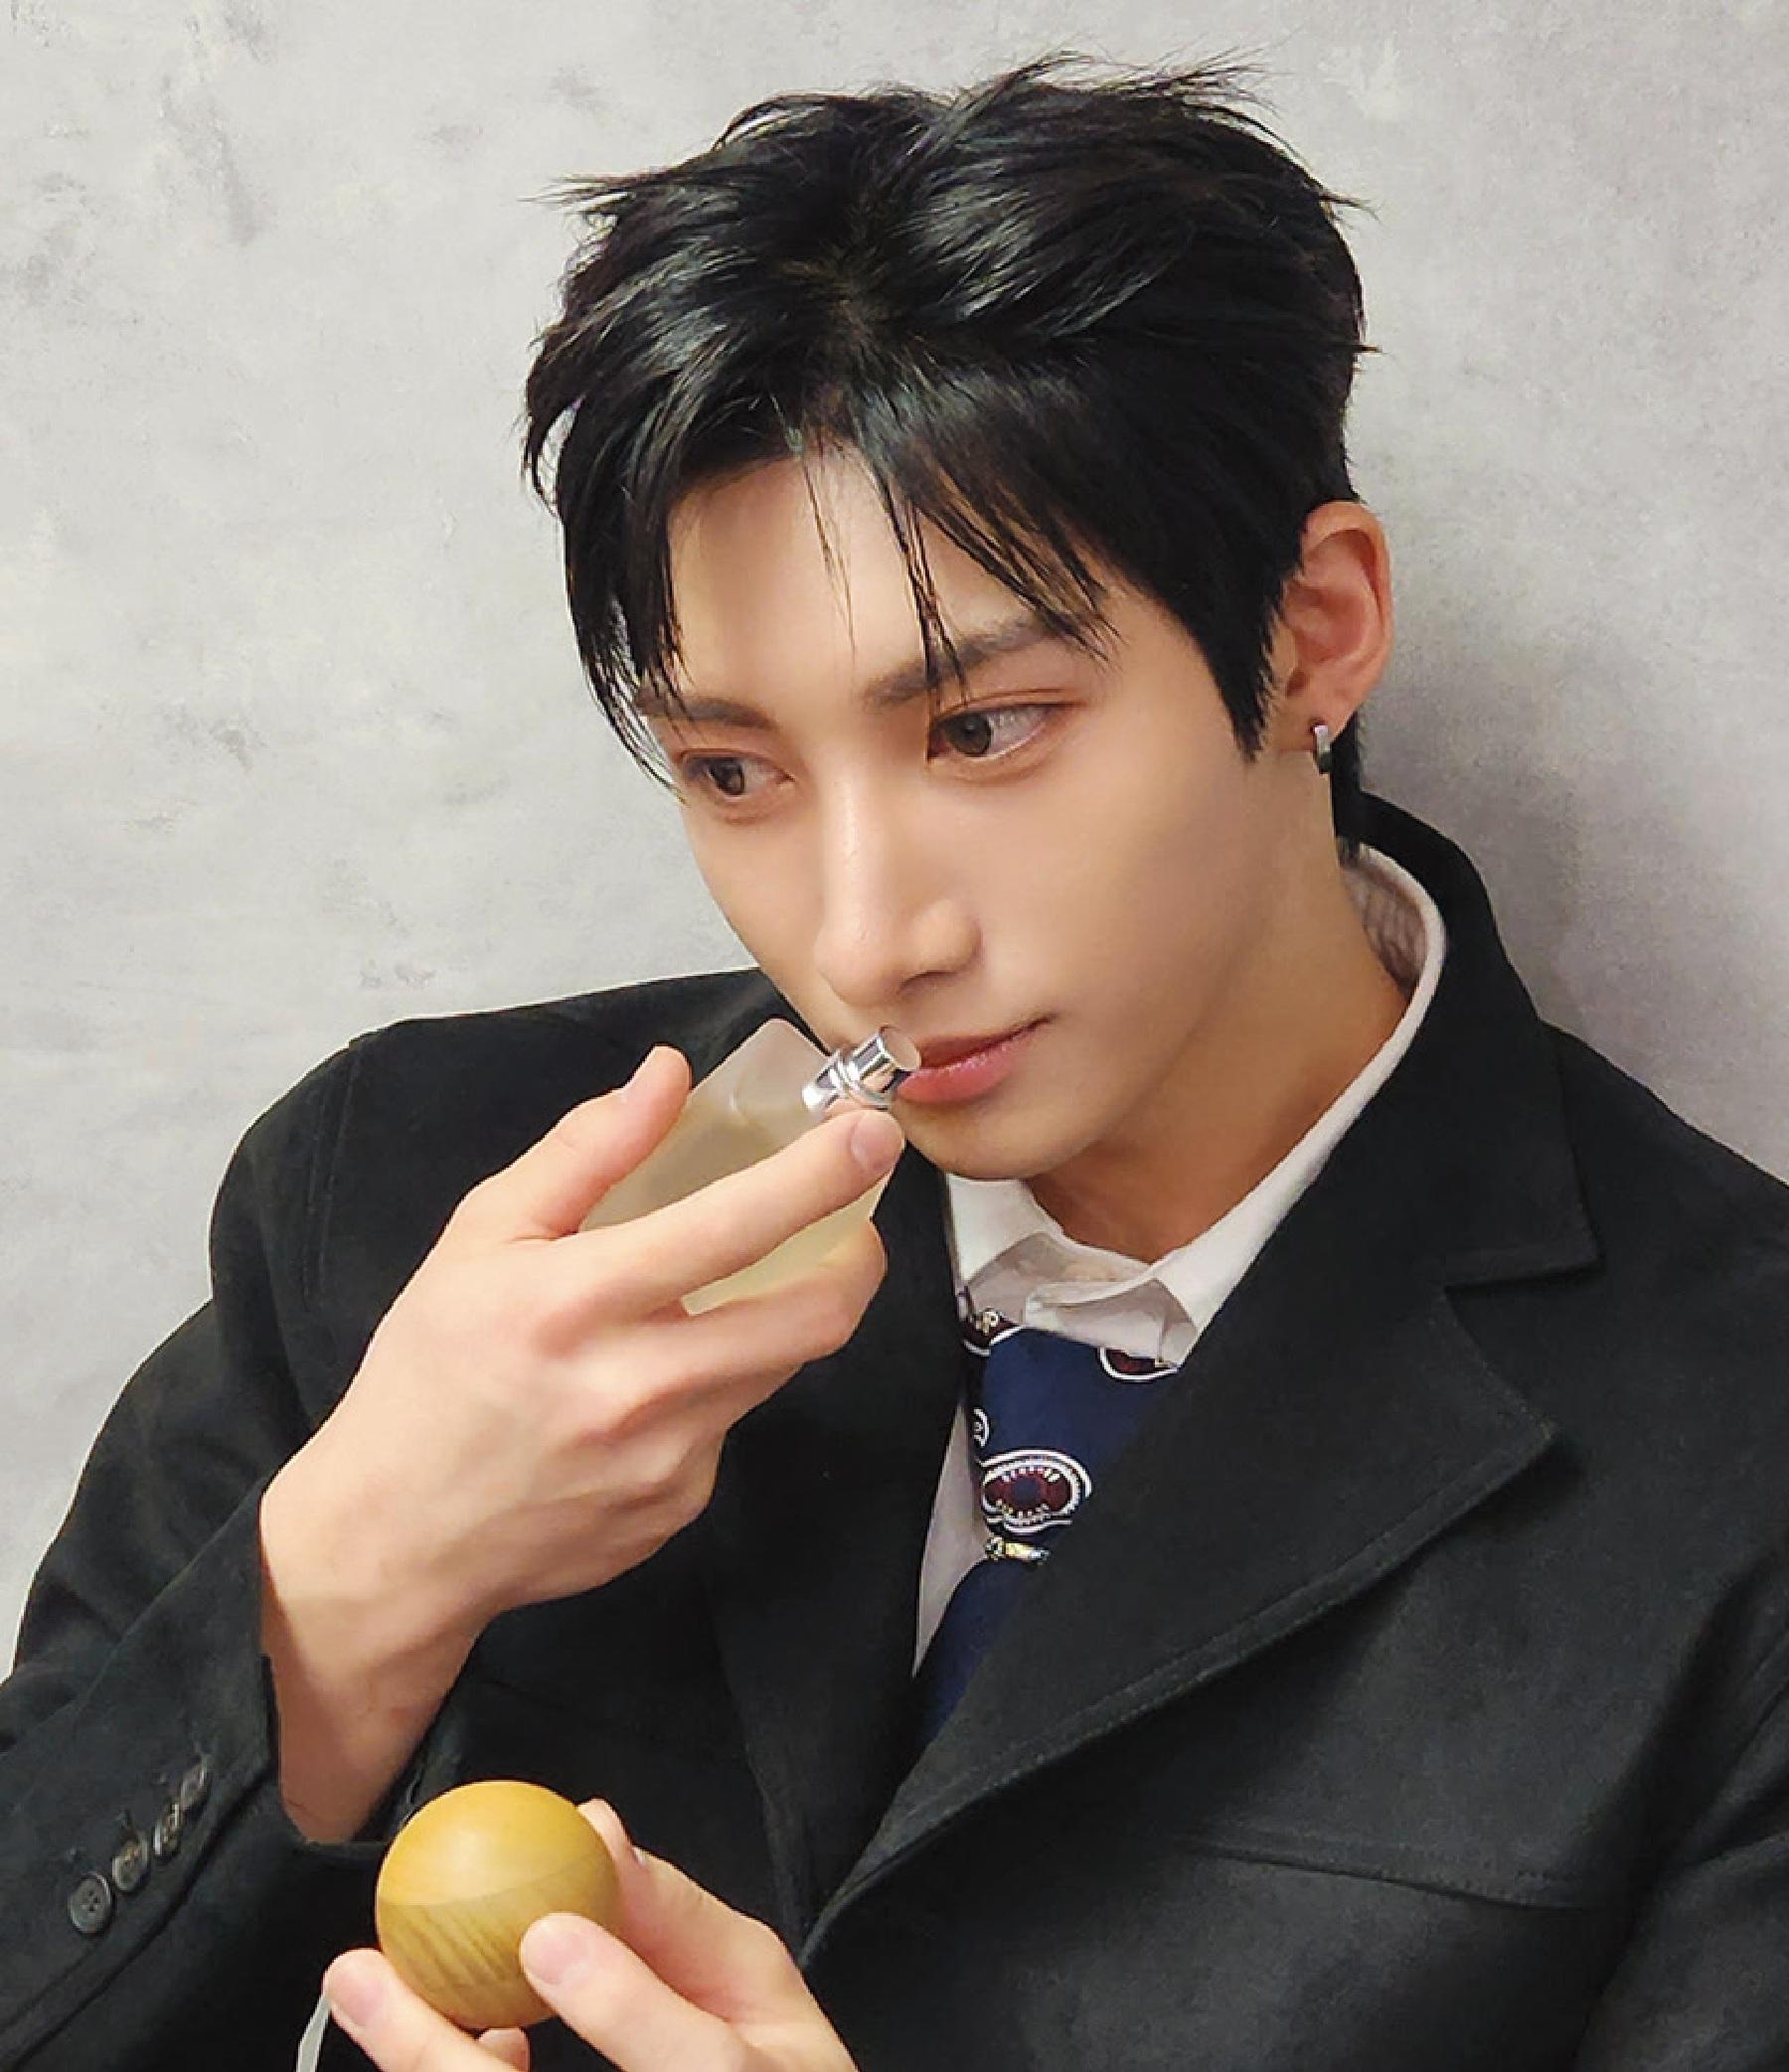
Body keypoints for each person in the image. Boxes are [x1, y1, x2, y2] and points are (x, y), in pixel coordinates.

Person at [5, 53, 1789, 2072]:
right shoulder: (403, 1204)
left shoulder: (1738, 1455)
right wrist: (348, 1584)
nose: (863, 936)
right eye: (732, 770)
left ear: (1314, 629)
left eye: (982, 730)